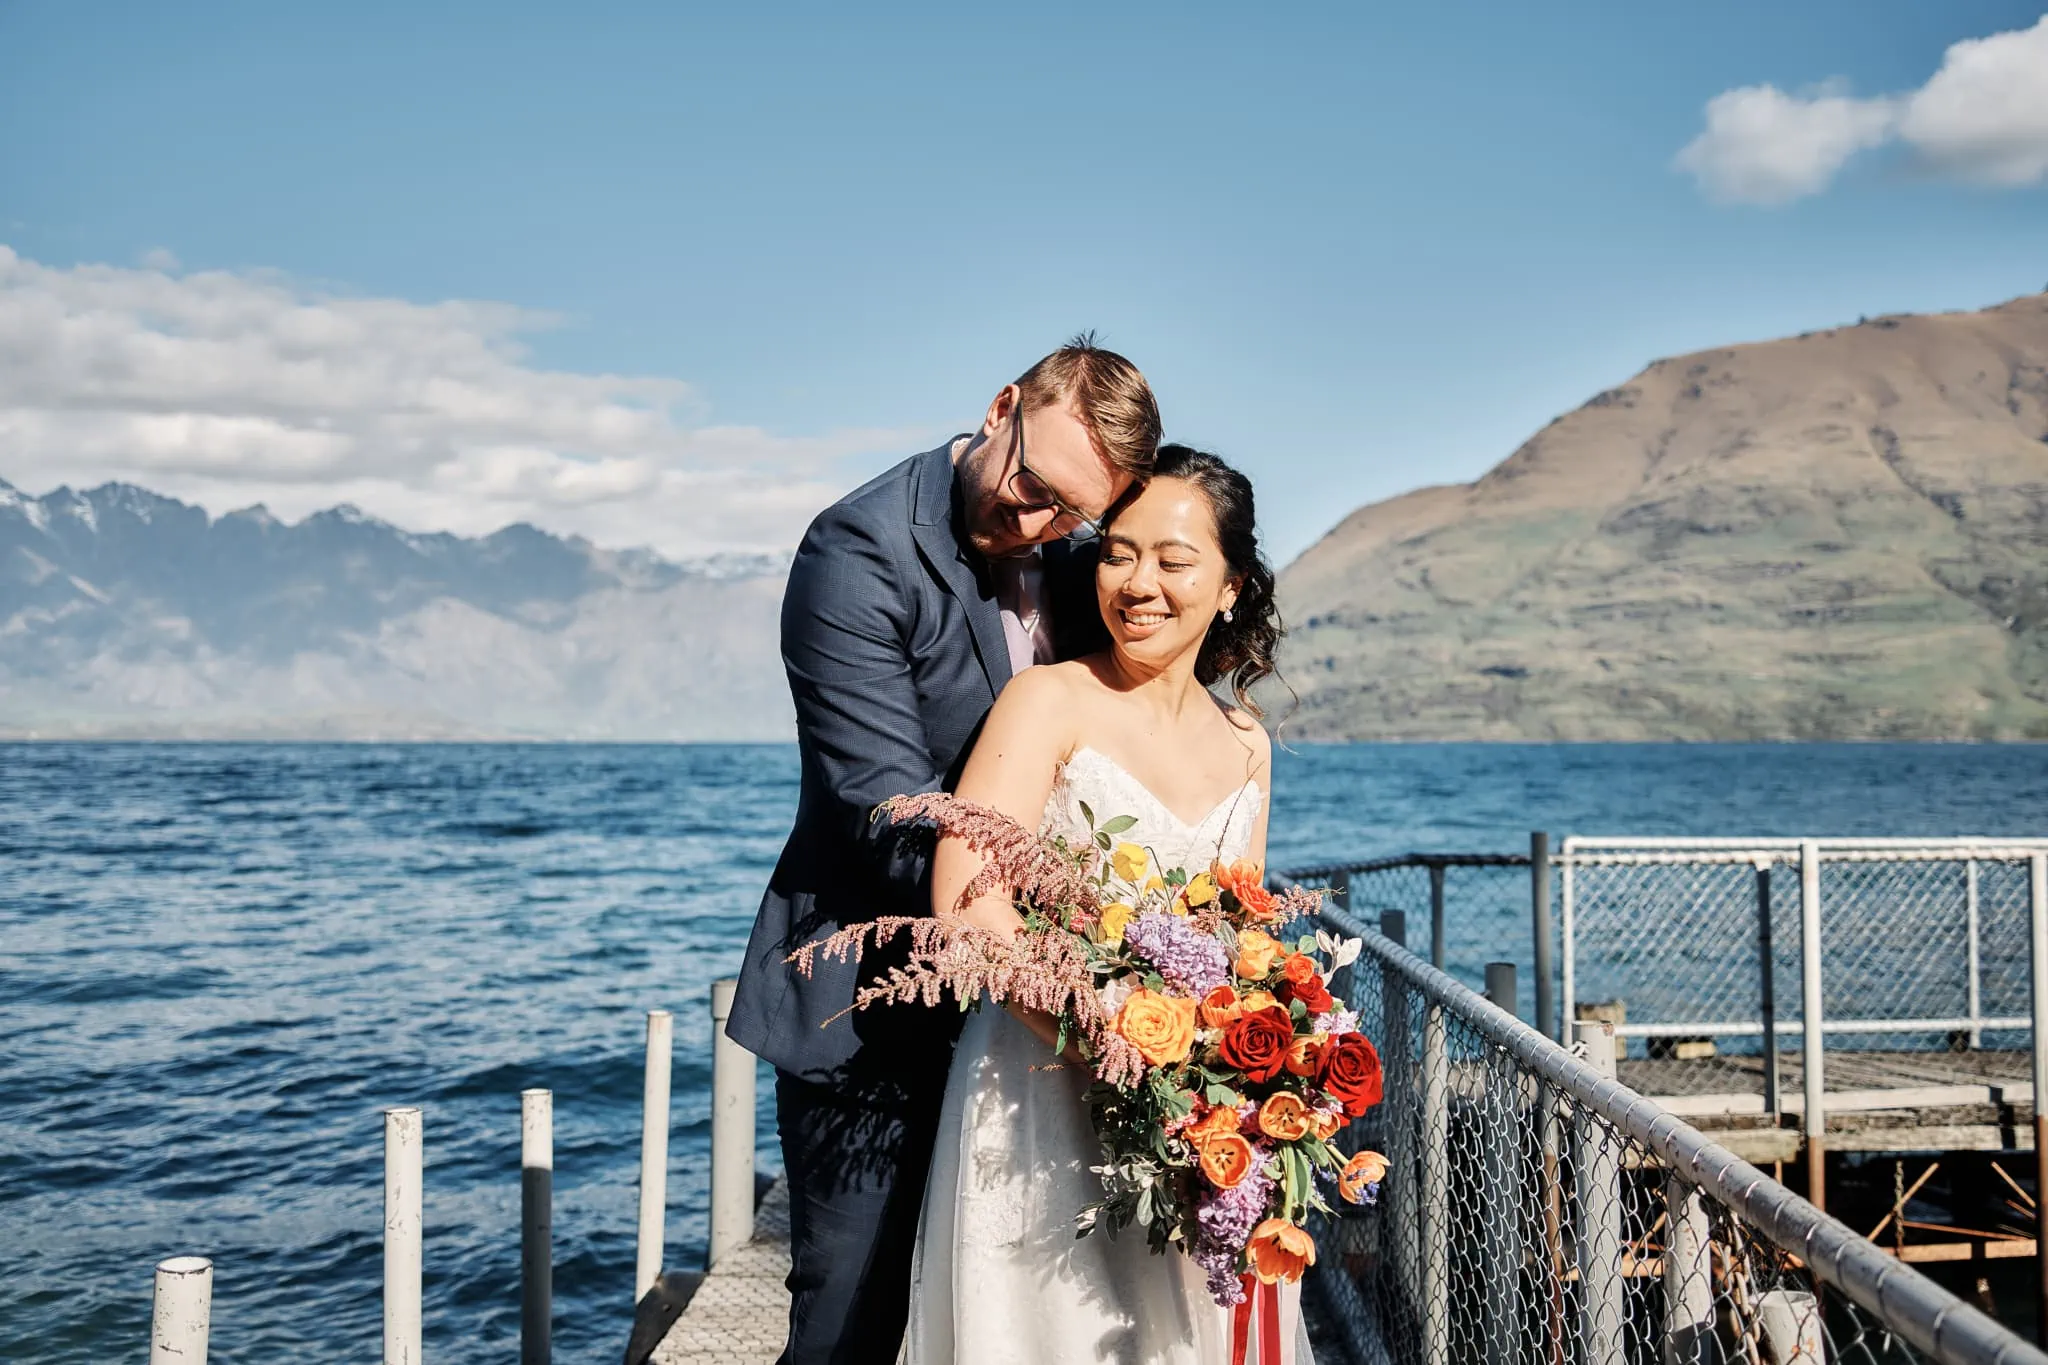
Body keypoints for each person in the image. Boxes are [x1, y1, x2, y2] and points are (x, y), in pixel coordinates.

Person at [725, 337, 1163, 1364]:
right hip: (874, 1018)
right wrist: (1058, 945)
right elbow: (888, 811)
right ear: (1001, 406)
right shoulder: (855, 553)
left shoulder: (1077, 556)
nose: (1037, 523)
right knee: (850, 1325)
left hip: (1032, 1035)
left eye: (1071, 514)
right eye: (1031, 486)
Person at [905, 445, 1311, 1364]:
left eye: (1173, 560)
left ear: (1231, 587)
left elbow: (1240, 938)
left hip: (1185, 1120)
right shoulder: (1047, 700)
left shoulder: (1247, 742)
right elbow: (966, 900)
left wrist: (1240, 1077)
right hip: (1037, 1094)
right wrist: (1106, 1041)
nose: (1138, 583)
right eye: (1119, 554)